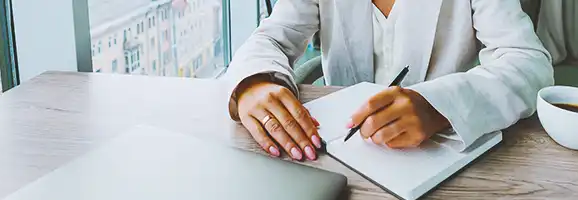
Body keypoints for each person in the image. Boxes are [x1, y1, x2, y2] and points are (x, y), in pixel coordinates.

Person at [224, 0, 553, 161]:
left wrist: (439, 105)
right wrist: (254, 83)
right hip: (339, 154)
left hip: (439, 155)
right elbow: (271, 38)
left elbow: (528, 62)